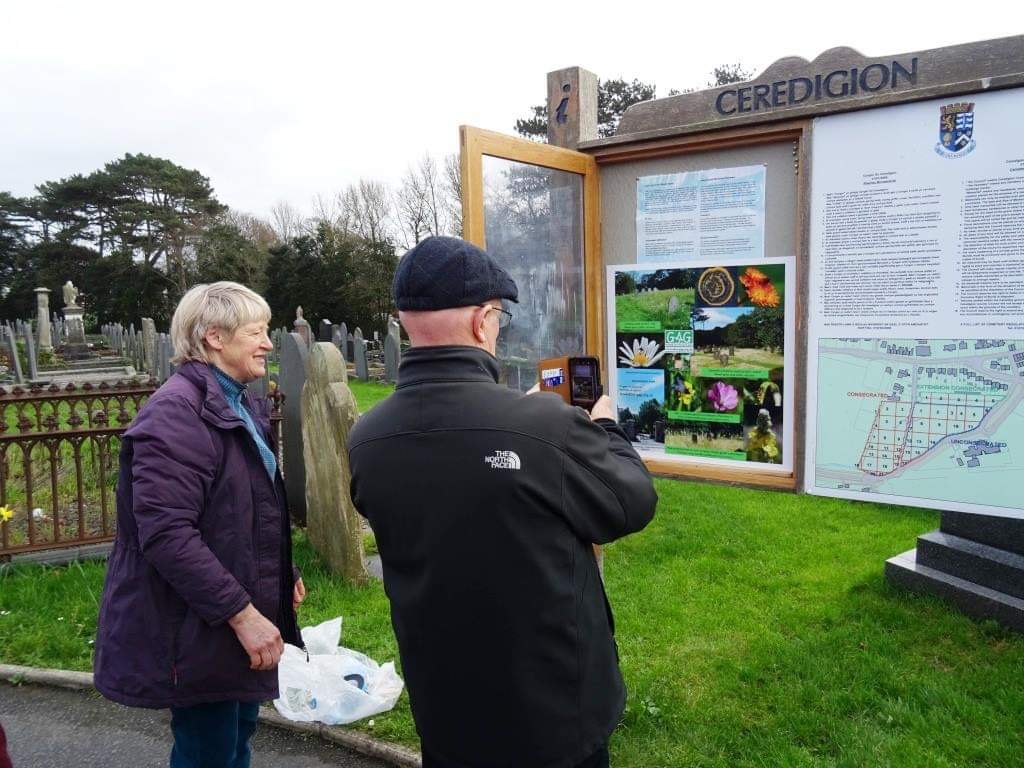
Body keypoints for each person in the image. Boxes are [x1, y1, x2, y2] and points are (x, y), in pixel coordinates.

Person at [348, 236, 658, 768]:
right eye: (498, 317)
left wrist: (528, 425)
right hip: (552, 713)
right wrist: (600, 425)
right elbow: (631, 502)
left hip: (445, 705)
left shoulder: (368, 436)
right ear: (481, 320)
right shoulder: (543, 427)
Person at [94, 282, 305, 768]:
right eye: (257, 332)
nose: (268, 344)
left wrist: (281, 574)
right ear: (214, 337)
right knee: (208, 749)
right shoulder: (175, 418)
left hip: (222, 610)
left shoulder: (240, 403)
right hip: (194, 622)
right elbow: (168, 536)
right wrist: (244, 615)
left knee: (235, 739)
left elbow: (243, 508)